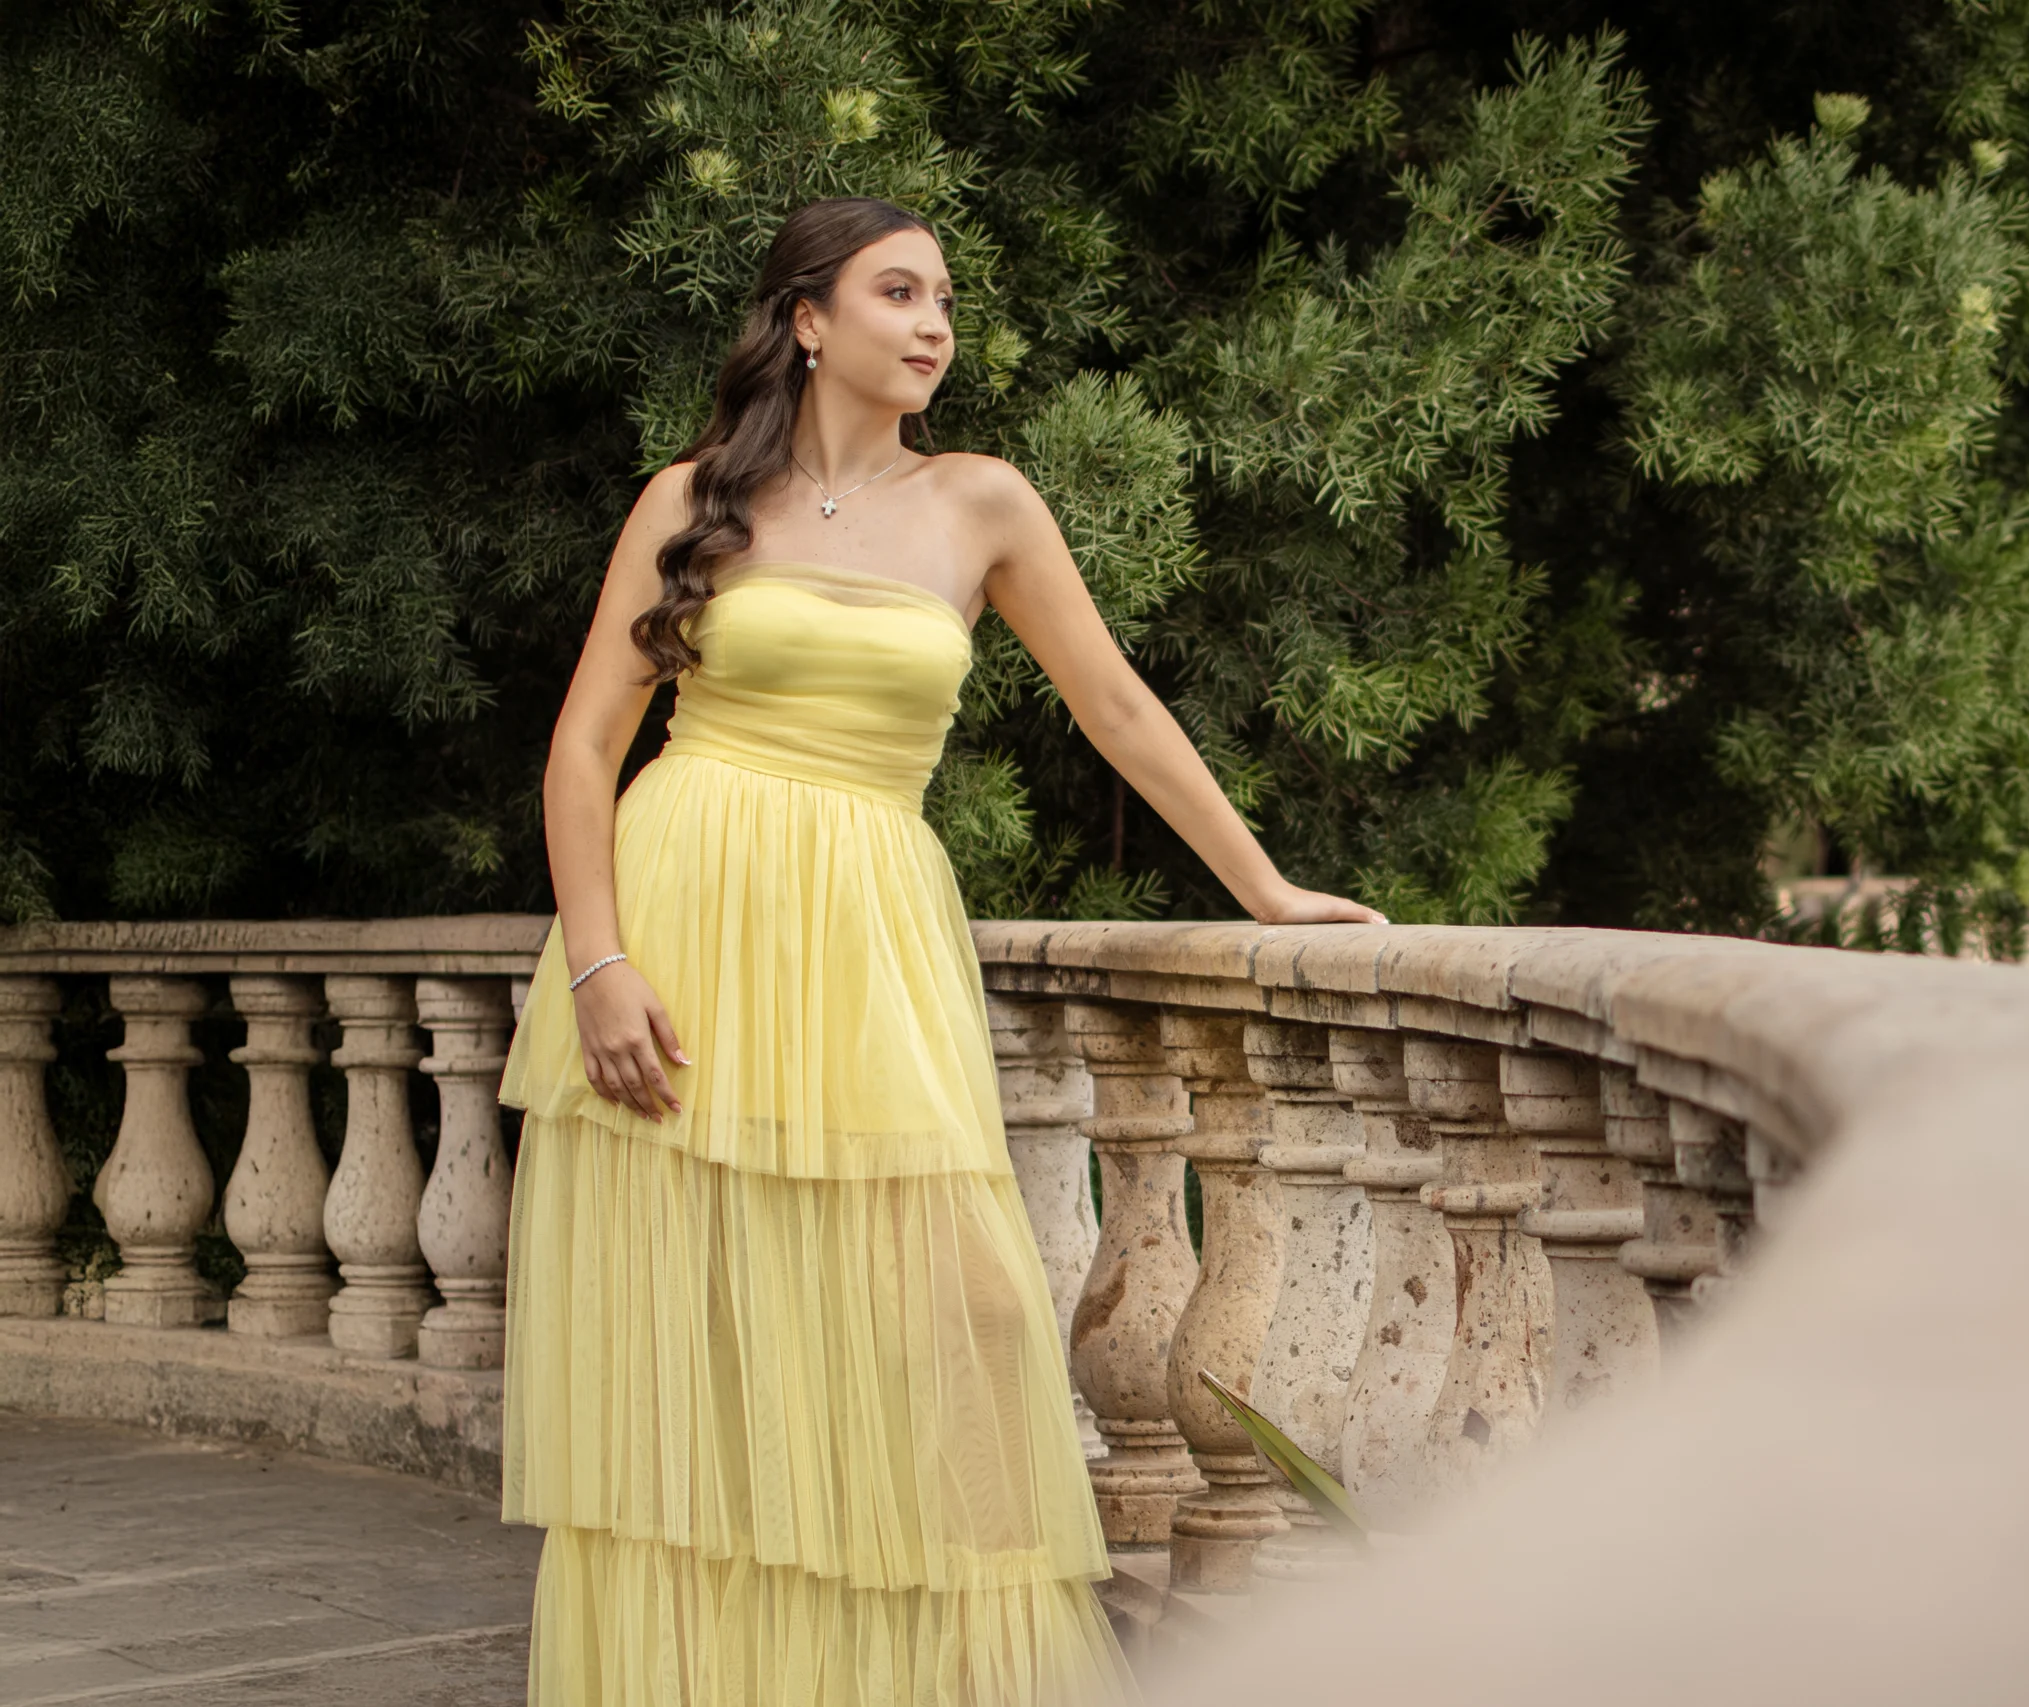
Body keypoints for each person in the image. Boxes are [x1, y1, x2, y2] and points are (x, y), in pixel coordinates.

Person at [495, 195, 1384, 1703]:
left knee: (957, 1308)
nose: (931, 327)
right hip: (681, 923)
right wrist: (598, 961)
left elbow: (1118, 710)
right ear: (807, 320)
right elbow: (584, 748)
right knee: (703, 1349)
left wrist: (1264, 883)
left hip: (868, 939)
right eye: (898, 292)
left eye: (946, 305)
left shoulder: (984, 503)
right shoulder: (686, 501)